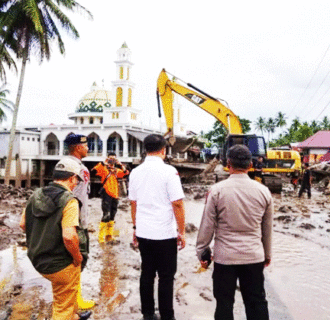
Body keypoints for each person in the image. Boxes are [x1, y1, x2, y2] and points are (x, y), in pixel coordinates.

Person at [196, 145, 273, 320]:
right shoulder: (263, 191)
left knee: (224, 304)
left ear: (228, 163)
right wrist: (267, 254)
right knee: (257, 303)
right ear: (251, 164)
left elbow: (207, 225)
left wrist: (201, 251)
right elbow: (267, 228)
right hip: (253, 256)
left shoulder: (217, 190)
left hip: (225, 258)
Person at [20, 158, 92, 320]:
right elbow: (69, 236)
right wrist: (77, 257)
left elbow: (23, 224)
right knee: (62, 307)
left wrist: (42, 237)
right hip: (60, 264)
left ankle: (74, 316)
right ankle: (67, 315)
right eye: (76, 181)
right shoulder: (69, 200)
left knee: (64, 291)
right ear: (72, 178)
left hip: (39, 260)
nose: (75, 185)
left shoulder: (36, 194)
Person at [129, 134, 186, 320]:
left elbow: (133, 203)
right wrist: (182, 231)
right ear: (163, 150)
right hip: (164, 233)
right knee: (166, 277)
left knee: (146, 274)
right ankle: (167, 315)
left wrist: (136, 228)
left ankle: (147, 314)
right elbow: (177, 203)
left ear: (145, 149)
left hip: (144, 232)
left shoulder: (135, 172)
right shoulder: (169, 172)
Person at [64, 133, 95, 309]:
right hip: (75, 221)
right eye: (85, 145)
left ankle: (74, 297)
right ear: (78, 147)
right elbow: (72, 197)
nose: (88, 148)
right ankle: (74, 300)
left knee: (75, 260)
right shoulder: (74, 167)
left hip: (73, 220)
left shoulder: (67, 164)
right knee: (77, 259)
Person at [92, 152, 129, 243]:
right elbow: (93, 171)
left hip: (115, 195)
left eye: (114, 159)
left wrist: (120, 164)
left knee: (112, 216)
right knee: (106, 215)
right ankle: (101, 238)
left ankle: (109, 236)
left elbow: (126, 173)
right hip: (106, 193)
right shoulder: (103, 169)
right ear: (107, 159)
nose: (112, 161)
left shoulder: (116, 170)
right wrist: (104, 162)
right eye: (110, 158)